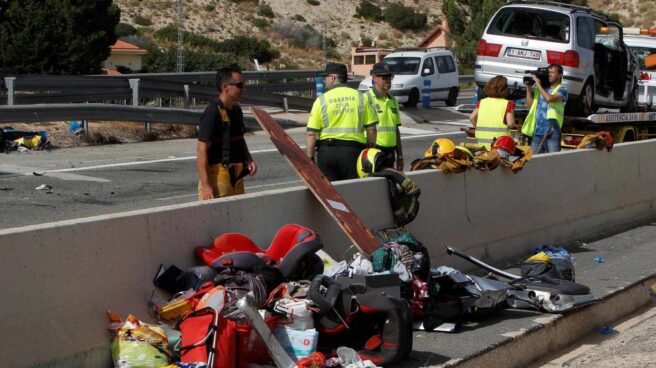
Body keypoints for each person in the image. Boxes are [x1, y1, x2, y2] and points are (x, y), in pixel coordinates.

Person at [306, 62, 378, 181]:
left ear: (333, 78)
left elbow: (311, 134)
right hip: (352, 153)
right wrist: (369, 150)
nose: (324, 80)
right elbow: (371, 129)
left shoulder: (321, 100)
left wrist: (310, 157)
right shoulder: (361, 97)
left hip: (327, 153)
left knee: (331, 194)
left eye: (326, 77)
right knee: (352, 190)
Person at [197, 67, 257, 200]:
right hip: (218, 177)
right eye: (239, 85)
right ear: (225, 87)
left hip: (237, 176)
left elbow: (239, 139)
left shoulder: (236, 110)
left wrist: (248, 158)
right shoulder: (212, 112)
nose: (243, 89)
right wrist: (206, 186)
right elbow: (201, 150)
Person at [365, 62, 404, 170]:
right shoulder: (366, 98)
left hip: (390, 152)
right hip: (373, 152)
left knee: (389, 185)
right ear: (374, 77)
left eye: (390, 77)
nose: (388, 80)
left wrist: (400, 155)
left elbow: (395, 129)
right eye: (384, 77)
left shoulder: (393, 101)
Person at [522, 63, 567, 154]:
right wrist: (529, 88)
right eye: (548, 72)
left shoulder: (562, 90)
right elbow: (530, 105)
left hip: (552, 131)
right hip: (537, 131)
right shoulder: (541, 89)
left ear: (560, 75)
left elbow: (549, 98)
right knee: (536, 162)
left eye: (552, 72)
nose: (549, 74)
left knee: (553, 161)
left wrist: (538, 84)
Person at [469, 75, 517, 149]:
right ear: (504, 89)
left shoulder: (482, 102)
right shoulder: (507, 104)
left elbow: (472, 118)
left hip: (482, 143)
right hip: (500, 144)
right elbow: (511, 124)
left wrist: (478, 128)